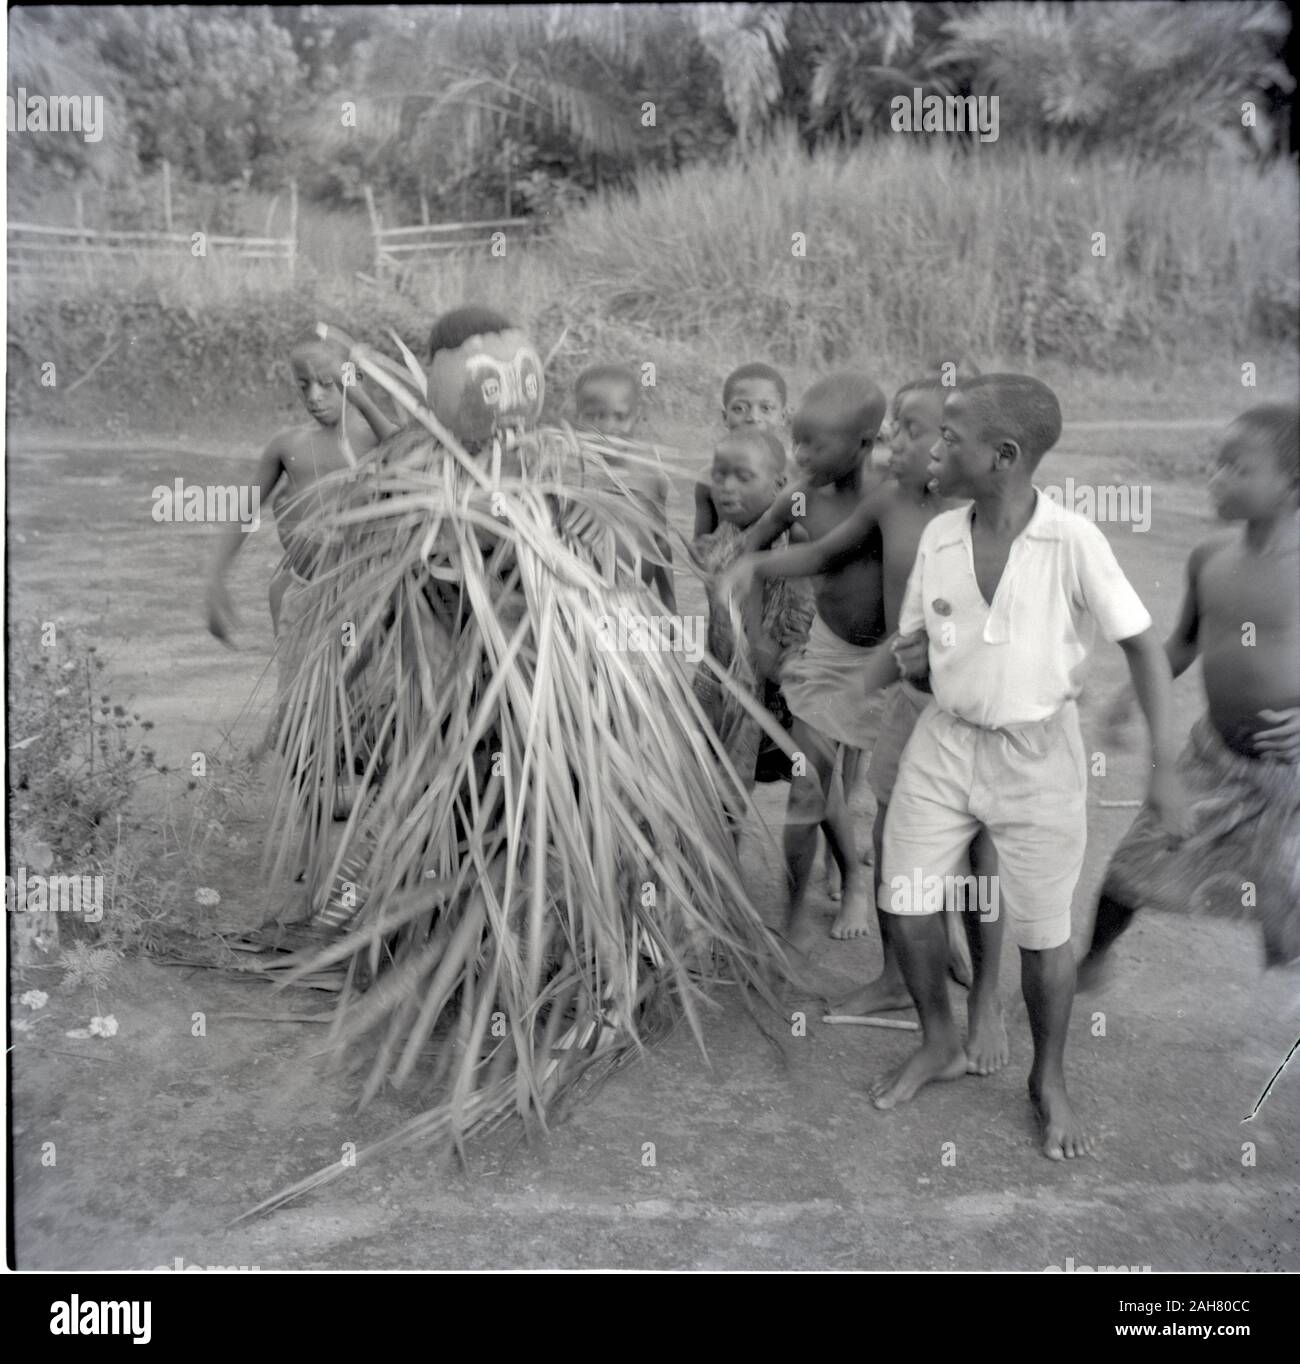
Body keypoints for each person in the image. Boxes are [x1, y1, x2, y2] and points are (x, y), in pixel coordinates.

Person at [869, 373, 1187, 1161]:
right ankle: (940, 1039)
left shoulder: (1073, 541)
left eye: (951, 437)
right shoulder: (943, 538)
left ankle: (1049, 1077)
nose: (936, 448)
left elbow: (1144, 647)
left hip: (1039, 754)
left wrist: (1165, 770)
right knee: (906, 902)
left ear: (1003, 456)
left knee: (1045, 937)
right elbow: (921, 658)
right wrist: (909, 662)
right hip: (946, 742)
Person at [1080, 403, 1300, 985]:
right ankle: (1093, 959)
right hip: (1215, 758)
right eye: (1216, 464)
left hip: (1293, 775)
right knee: (1133, 866)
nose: (1216, 478)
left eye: (1238, 468)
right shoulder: (1211, 558)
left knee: (1291, 904)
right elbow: (1182, 643)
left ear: (1292, 484)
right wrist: (1129, 696)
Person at [718, 374, 888, 949]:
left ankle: (855, 882)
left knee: (836, 787)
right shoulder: (798, 497)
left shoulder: (888, 499)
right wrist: (761, 642)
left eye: (816, 445)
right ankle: (791, 915)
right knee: (807, 782)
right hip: (803, 653)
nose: (802, 455)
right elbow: (751, 550)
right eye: (799, 442)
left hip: (866, 662)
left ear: (864, 445)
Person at [204, 326, 398, 715]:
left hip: (361, 590)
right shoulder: (287, 445)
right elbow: (245, 510)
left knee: (364, 699)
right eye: (303, 384)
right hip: (300, 591)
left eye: (327, 383)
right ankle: (299, 759)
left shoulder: (374, 441)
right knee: (300, 700)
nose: (314, 396)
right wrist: (215, 577)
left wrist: (360, 399)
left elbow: (406, 445)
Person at [693, 427, 813, 791]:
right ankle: (718, 845)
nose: (727, 487)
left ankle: (845, 850)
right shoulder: (720, 536)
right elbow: (708, 559)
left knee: (813, 786)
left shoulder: (791, 539)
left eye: (744, 478)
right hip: (719, 671)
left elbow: (804, 608)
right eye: (720, 476)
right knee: (713, 774)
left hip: (770, 681)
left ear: (778, 485)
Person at [572, 362, 675, 608]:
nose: (608, 428)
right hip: (583, 605)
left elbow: (660, 544)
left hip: (636, 602)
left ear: (636, 418)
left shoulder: (651, 476)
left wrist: (672, 610)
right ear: (577, 418)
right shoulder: (570, 476)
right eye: (595, 416)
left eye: (620, 416)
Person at [694, 362, 791, 538]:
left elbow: (806, 540)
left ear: (783, 416)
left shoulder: (799, 480)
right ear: (725, 417)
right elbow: (700, 545)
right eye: (739, 408)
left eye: (766, 408)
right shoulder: (708, 480)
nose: (753, 417)